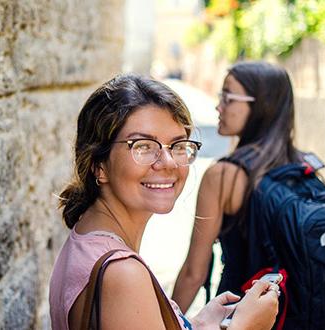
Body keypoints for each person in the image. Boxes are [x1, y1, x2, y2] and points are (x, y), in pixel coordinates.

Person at [49, 73, 279, 330]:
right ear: (98, 165)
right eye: (144, 146)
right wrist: (245, 327)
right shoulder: (123, 274)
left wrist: (195, 324)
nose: (169, 163)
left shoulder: (87, 237)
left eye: (178, 145)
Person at [172, 61, 302, 313]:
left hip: (240, 314)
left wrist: (169, 322)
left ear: (260, 106)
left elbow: (193, 272)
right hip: (294, 315)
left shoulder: (223, 176)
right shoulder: (305, 166)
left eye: (228, 98)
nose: (218, 106)